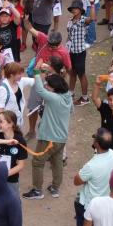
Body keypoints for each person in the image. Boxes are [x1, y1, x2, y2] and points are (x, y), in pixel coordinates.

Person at [23, 73, 72, 201]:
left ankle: (37, 190)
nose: (46, 86)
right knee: (57, 162)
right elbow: (70, 110)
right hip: (61, 138)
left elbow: (39, 89)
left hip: (49, 138)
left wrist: (38, 73)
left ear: (54, 88)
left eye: (48, 85)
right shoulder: (68, 97)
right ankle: (55, 188)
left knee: (37, 162)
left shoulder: (54, 98)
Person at [72, 128, 113, 226]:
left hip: (88, 206)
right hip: (105, 204)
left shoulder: (91, 166)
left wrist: (83, 171)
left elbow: (76, 181)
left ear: (96, 143)